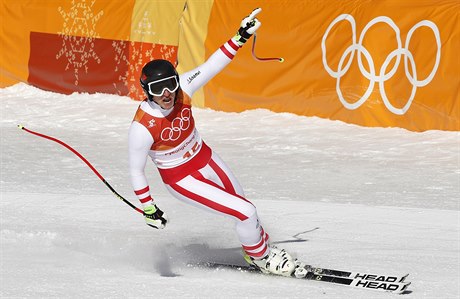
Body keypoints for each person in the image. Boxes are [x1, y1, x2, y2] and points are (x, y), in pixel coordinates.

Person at [128, 8, 295, 277]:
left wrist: (240, 38)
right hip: (181, 178)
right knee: (246, 211)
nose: (167, 94)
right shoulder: (142, 127)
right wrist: (148, 207)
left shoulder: (184, 88)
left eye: (170, 84)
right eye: (158, 90)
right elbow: (136, 170)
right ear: (147, 91)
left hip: (205, 157)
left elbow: (212, 65)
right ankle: (262, 258)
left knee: (243, 206)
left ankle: (255, 249)